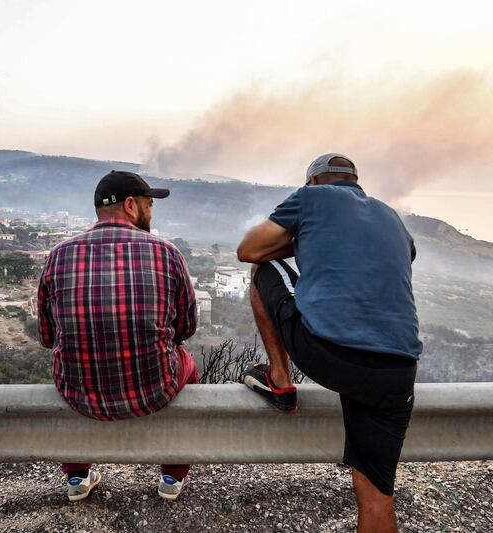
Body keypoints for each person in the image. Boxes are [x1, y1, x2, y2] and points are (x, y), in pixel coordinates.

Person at [237, 154, 421, 533]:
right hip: (397, 370)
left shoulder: (311, 199)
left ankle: (279, 378)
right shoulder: (393, 219)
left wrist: (303, 237)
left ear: (314, 183)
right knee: (376, 496)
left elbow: (249, 249)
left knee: (262, 270)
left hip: (328, 351)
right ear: (355, 181)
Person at [37, 170, 199, 502]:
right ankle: (172, 475)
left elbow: (47, 336)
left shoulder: (58, 256)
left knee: (65, 361)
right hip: (154, 388)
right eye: (149, 204)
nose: (151, 213)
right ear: (130, 205)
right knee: (190, 366)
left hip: (80, 392)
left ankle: (77, 477)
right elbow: (186, 330)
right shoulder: (167, 253)